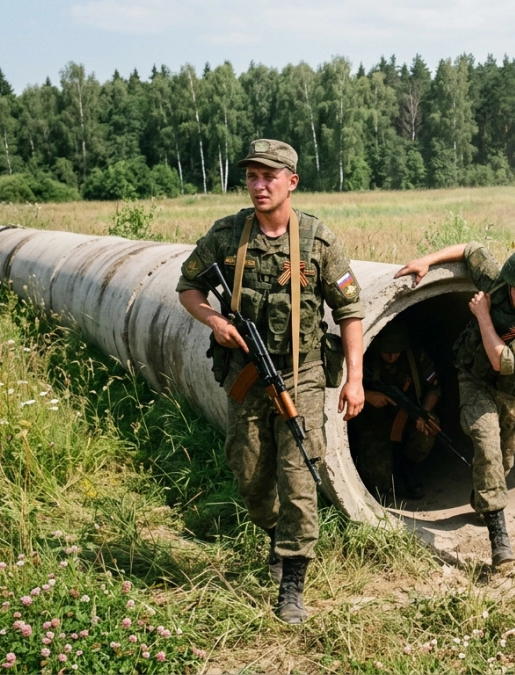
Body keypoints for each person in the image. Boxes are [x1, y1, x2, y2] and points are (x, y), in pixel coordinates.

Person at [176, 139, 366, 624]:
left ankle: (292, 581)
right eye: (252, 177)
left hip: (300, 373)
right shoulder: (226, 235)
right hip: (246, 376)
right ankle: (279, 537)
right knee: (249, 475)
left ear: (291, 182)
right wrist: (215, 323)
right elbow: (188, 287)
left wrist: (355, 379)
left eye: (269, 176)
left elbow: (349, 312)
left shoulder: (319, 241)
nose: (259, 185)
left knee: (300, 474)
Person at [395, 243, 515, 569]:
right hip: (476, 382)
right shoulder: (497, 282)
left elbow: (504, 361)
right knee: (486, 442)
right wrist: (425, 261)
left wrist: (483, 315)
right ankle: (499, 536)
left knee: (505, 457)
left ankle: (483, 500)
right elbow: (471, 249)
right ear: (509, 281)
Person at [356, 322, 441, 502]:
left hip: (408, 418)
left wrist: (424, 412)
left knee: (429, 427)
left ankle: (408, 469)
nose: (391, 356)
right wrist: (368, 395)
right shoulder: (365, 358)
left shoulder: (416, 358)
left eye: (396, 351)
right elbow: (340, 387)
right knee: (378, 483)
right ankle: (385, 479)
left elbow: (434, 388)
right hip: (374, 422)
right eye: (386, 351)